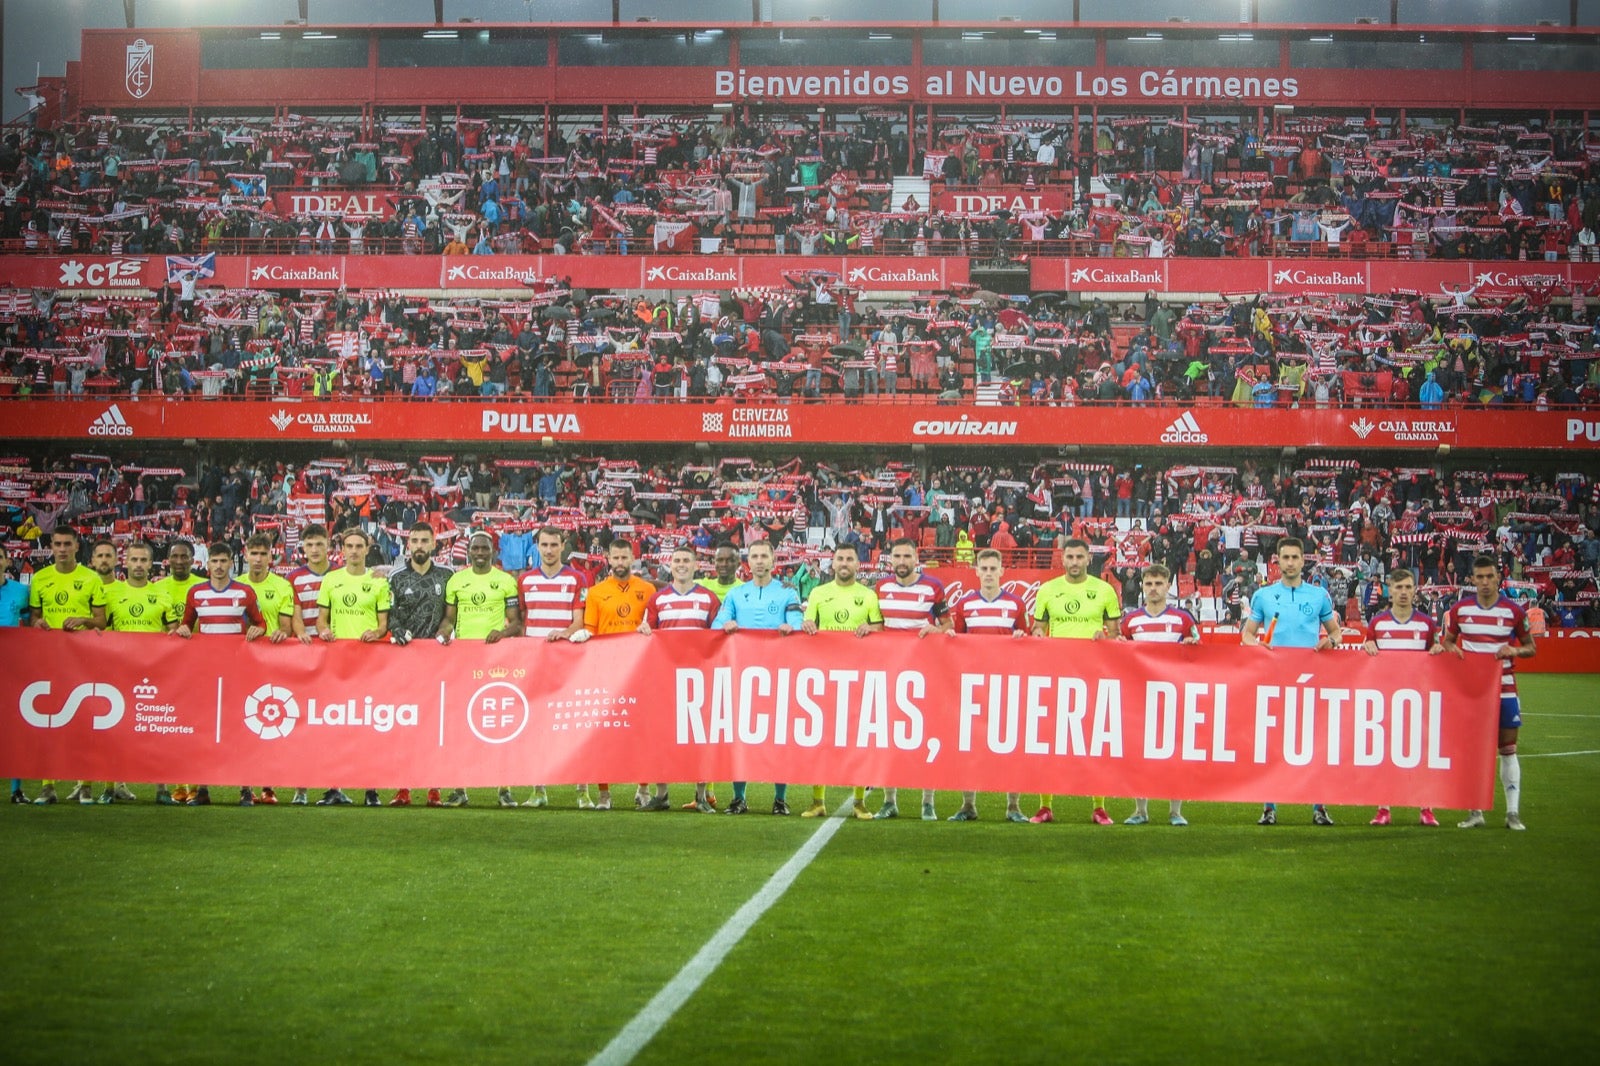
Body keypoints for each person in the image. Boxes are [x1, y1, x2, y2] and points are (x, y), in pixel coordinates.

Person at [1242, 537, 1342, 826]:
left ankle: (1319, 806)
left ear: (1302, 560)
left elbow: (1336, 632)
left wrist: (1331, 642)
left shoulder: (1319, 595)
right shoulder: (1263, 595)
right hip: (1274, 679)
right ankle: (1269, 806)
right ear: (1277, 560)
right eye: (1284, 557)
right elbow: (1247, 636)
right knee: (1273, 743)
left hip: (1311, 680)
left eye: (1294, 557)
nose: (1289, 562)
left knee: (1314, 742)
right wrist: (1257, 646)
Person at [1031, 537, 1122, 825]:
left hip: (1093, 675)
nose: (1073, 562)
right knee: (1049, 740)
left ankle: (1099, 806)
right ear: (1063, 559)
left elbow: (1116, 633)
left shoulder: (1104, 590)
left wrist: (1104, 637)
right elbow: (1038, 628)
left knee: (1095, 740)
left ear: (1088, 559)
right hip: (1056, 673)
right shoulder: (1047, 590)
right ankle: (1045, 805)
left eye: (1079, 557)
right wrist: (1036, 636)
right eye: (1069, 557)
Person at [1442, 555, 1536, 831]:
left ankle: (1512, 813)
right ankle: (1476, 812)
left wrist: (1514, 650)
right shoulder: (1459, 610)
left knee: (1508, 749)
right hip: (1472, 693)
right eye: (1479, 577)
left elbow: (1531, 647)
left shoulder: (1513, 612)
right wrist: (1454, 651)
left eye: (1489, 576)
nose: (1484, 582)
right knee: (1474, 752)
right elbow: (1447, 642)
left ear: (1498, 578)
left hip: (1505, 688)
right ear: (1471, 579)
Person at [713, 539, 804, 815]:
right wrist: (725, 625)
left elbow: (797, 623)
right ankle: (739, 798)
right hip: (743, 676)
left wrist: (792, 627)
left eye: (765, 555)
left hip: (778, 675)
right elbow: (718, 624)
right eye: (755, 556)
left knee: (779, 737)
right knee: (740, 738)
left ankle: (780, 799)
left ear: (774, 561)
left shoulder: (788, 592)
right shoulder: (736, 595)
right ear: (748, 562)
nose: (760, 560)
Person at [176, 542, 266, 806]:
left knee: (239, 728)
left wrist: (259, 630)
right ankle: (202, 789)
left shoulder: (244, 592)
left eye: (223, 561)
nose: (218, 566)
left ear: (231, 563)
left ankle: (245, 789)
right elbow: (187, 624)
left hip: (237, 672)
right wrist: (183, 630)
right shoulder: (195, 593)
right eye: (214, 561)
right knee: (205, 730)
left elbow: (261, 623)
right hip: (206, 673)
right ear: (207, 564)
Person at [944, 549, 1031, 823]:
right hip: (974, 684)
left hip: (1007, 683)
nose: (990, 573)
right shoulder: (966, 604)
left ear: (1002, 571)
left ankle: (1013, 806)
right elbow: (957, 638)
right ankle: (968, 804)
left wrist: (1021, 636)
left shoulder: (1016, 604)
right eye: (985, 568)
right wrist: (948, 637)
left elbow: (1027, 639)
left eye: (994, 568)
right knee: (969, 746)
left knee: (1011, 746)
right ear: (977, 571)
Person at [568, 538, 655, 811]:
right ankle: (604, 795)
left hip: (639, 670)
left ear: (632, 558)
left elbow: (653, 628)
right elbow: (590, 630)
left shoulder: (648, 589)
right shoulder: (595, 592)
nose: (619, 563)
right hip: (605, 670)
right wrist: (582, 635)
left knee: (642, 733)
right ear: (607, 558)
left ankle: (643, 788)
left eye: (624, 558)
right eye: (615, 558)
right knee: (603, 734)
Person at [439, 531, 522, 807]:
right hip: (463, 660)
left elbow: (516, 623)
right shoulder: (456, 581)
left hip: (497, 661)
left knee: (501, 724)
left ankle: (504, 788)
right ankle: (459, 788)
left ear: (493, 551)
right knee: (459, 725)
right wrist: (443, 635)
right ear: (469, 551)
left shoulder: (505, 581)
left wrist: (502, 632)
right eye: (475, 548)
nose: (480, 553)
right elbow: (449, 619)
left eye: (485, 548)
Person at [800, 543, 882, 820]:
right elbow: (808, 623)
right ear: (832, 564)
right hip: (825, 675)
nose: (845, 563)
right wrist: (808, 625)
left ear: (859, 565)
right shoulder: (818, 593)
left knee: (858, 739)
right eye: (840, 559)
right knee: (820, 738)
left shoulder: (868, 595)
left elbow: (880, 629)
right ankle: (817, 801)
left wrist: (871, 628)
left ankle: (859, 802)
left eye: (850, 559)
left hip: (858, 675)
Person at [637, 546, 721, 811]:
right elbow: (648, 630)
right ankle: (662, 795)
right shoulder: (658, 599)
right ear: (669, 565)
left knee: (701, 737)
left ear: (696, 565)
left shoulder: (708, 599)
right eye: (677, 560)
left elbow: (718, 636)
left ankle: (701, 795)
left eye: (687, 560)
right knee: (662, 735)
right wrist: (643, 630)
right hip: (665, 677)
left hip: (699, 677)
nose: (682, 564)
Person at [27, 526, 107, 806]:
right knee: (47, 722)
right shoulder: (39, 579)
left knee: (84, 721)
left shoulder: (90, 578)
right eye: (57, 544)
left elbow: (101, 621)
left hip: (83, 660)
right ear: (51, 545)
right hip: (49, 659)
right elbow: (35, 616)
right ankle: (47, 786)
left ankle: (85, 785)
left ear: (76, 546)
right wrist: (38, 623)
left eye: (67, 544)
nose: (62, 549)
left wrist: (82, 620)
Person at [873, 537, 950, 821]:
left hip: (925, 672)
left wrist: (935, 630)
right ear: (890, 559)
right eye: (897, 556)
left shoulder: (933, 587)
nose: (902, 562)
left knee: (927, 736)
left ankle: (927, 801)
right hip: (891, 671)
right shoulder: (881, 588)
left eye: (907, 556)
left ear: (916, 558)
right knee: (889, 736)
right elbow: (879, 625)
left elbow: (948, 626)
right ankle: (889, 800)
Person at [516, 526, 591, 808]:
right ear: (537, 546)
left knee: (575, 727)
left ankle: (582, 792)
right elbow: (523, 619)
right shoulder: (524, 580)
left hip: (567, 662)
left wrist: (563, 633)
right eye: (543, 545)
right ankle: (538, 790)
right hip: (535, 664)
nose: (548, 550)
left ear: (563, 546)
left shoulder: (577, 579)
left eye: (553, 545)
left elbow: (578, 621)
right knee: (536, 728)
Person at [315, 528, 391, 806]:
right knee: (337, 728)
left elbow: (384, 624)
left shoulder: (378, 581)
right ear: (342, 549)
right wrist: (323, 631)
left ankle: (371, 790)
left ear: (368, 548)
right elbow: (321, 619)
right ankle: (334, 787)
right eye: (350, 546)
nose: (355, 550)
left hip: (370, 664)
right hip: (337, 664)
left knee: (369, 727)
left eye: (360, 545)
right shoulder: (331, 580)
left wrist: (377, 632)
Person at [1119, 564, 1198, 827]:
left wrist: (1192, 644)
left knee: (1175, 753)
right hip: (1140, 696)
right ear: (1142, 586)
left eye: (1158, 584)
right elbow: (1122, 654)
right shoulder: (1131, 621)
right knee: (1139, 753)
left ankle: (1175, 811)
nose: (1153, 589)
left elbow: (1199, 650)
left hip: (1173, 695)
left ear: (1168, 586)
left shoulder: (1183, 619)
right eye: (1149, 584)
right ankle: (1140, 810)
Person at [1362, 568, 1442, 827]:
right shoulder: (1378, 623)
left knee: (1421, 755)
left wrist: (1439, 649)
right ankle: (1383, 808)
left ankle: (1426, 808)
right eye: (1399, 588)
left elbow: (1435, 654)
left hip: (1418, 699)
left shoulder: (1426, 624)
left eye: (1408, 587)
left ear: (1415, 590)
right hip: (1388, 699)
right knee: (1386, 755)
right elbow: (1367, 654)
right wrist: (1367, 646)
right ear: (1390, 590)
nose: (1404, 592)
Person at [101, 540, 174, 803]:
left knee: (156, 730)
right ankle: (112, 787)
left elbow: (174, 633)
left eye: (144, 560)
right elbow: (101, 630)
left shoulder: (162, 596)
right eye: (134, 560)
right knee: (116, 731)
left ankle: (161, 789)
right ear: (126, 562)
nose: (139, 565)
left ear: (150, 564)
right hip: (119, 673)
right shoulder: (111, 595)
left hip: (153, 674)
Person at [387, 522, 451, 807]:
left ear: (434, 543)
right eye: (415, 540)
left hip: (439, 661)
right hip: (404, 659)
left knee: (435, 726)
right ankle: (403, 786)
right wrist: (397, 630)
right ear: (408, 543)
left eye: (425, 540)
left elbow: (452, 614)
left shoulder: (448, 576)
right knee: (405, 724)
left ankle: (434, 787)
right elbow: (389, 612)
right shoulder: (396, 576)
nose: (420, 545)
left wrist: (446, 632)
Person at [151, 537, 207, 806]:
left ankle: (196, 784)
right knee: (171, 724)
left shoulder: (201, 587)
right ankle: (178, 784)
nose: (180, 561)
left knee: (196, 725)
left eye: (185, 556)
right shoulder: (158, 588)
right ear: (168, 559)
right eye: (175, 556)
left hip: (200, 663)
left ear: (193, 559)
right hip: (168, 664)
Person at [688, 543, 743, 809]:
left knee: (731, 728)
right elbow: (671, 582)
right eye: (719, 560)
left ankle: (736, 792)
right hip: (706, 665)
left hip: (737, 666)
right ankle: (706, 791)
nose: (722, 564)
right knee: (706, 726)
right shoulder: (704, 588)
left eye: (728, 560)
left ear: (737, 563)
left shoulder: (743, 590)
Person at [286, 525, 335, 806]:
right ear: (302, 548)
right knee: (302, 724)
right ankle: (300, 788)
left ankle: (334, 785)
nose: (314, 550)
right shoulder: (294, 578)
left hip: (335, 657)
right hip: (305, 656)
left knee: (334, 724)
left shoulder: (340, 575)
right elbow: (296, 612)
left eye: (319, 544)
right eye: (310, 545)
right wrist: (301, 633)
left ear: (328, 544)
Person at [2, 554, 31, 803]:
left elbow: (30, 623)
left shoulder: (21, 592)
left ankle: (16, 789)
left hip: (10, 668)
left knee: (14, 728)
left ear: (5, 561)